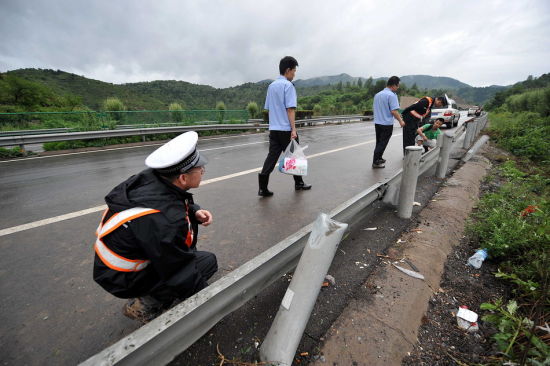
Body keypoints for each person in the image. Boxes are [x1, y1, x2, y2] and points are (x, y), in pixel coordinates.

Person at [93, 131, 217, 323]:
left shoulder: (154, 178)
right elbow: (180, 272)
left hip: (118, 264)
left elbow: (170, 201)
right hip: (122, 277)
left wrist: (193, 211)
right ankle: (146, 305)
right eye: (199, 168)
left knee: (206, 261)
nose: (203, 171)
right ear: (183, 178)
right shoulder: (164, 220)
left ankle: (154, 290)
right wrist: (211, 304)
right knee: (197, 268)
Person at [258, 56, 312, 196]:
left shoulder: (271, 86)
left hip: (274, 129)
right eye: (294, 71)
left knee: (272, 157)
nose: (294, 74)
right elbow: (290, 109)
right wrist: (293, 129)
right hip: (286, 129)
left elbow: (269, 108)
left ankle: (262, 188)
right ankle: (299, 183)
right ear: (288, 70)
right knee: (294, 156)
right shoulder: (288, 86)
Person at [372, 76, 405, 168]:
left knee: (379, 142)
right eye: (398, 86)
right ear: (394, 85)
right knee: (383, 143)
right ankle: (376, 162)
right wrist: (401, 121)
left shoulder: (378, 94)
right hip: (386, 124)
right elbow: (394, 111)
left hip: (378, 123)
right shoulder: (392, 95)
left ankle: (379, 157)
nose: (398, 88)